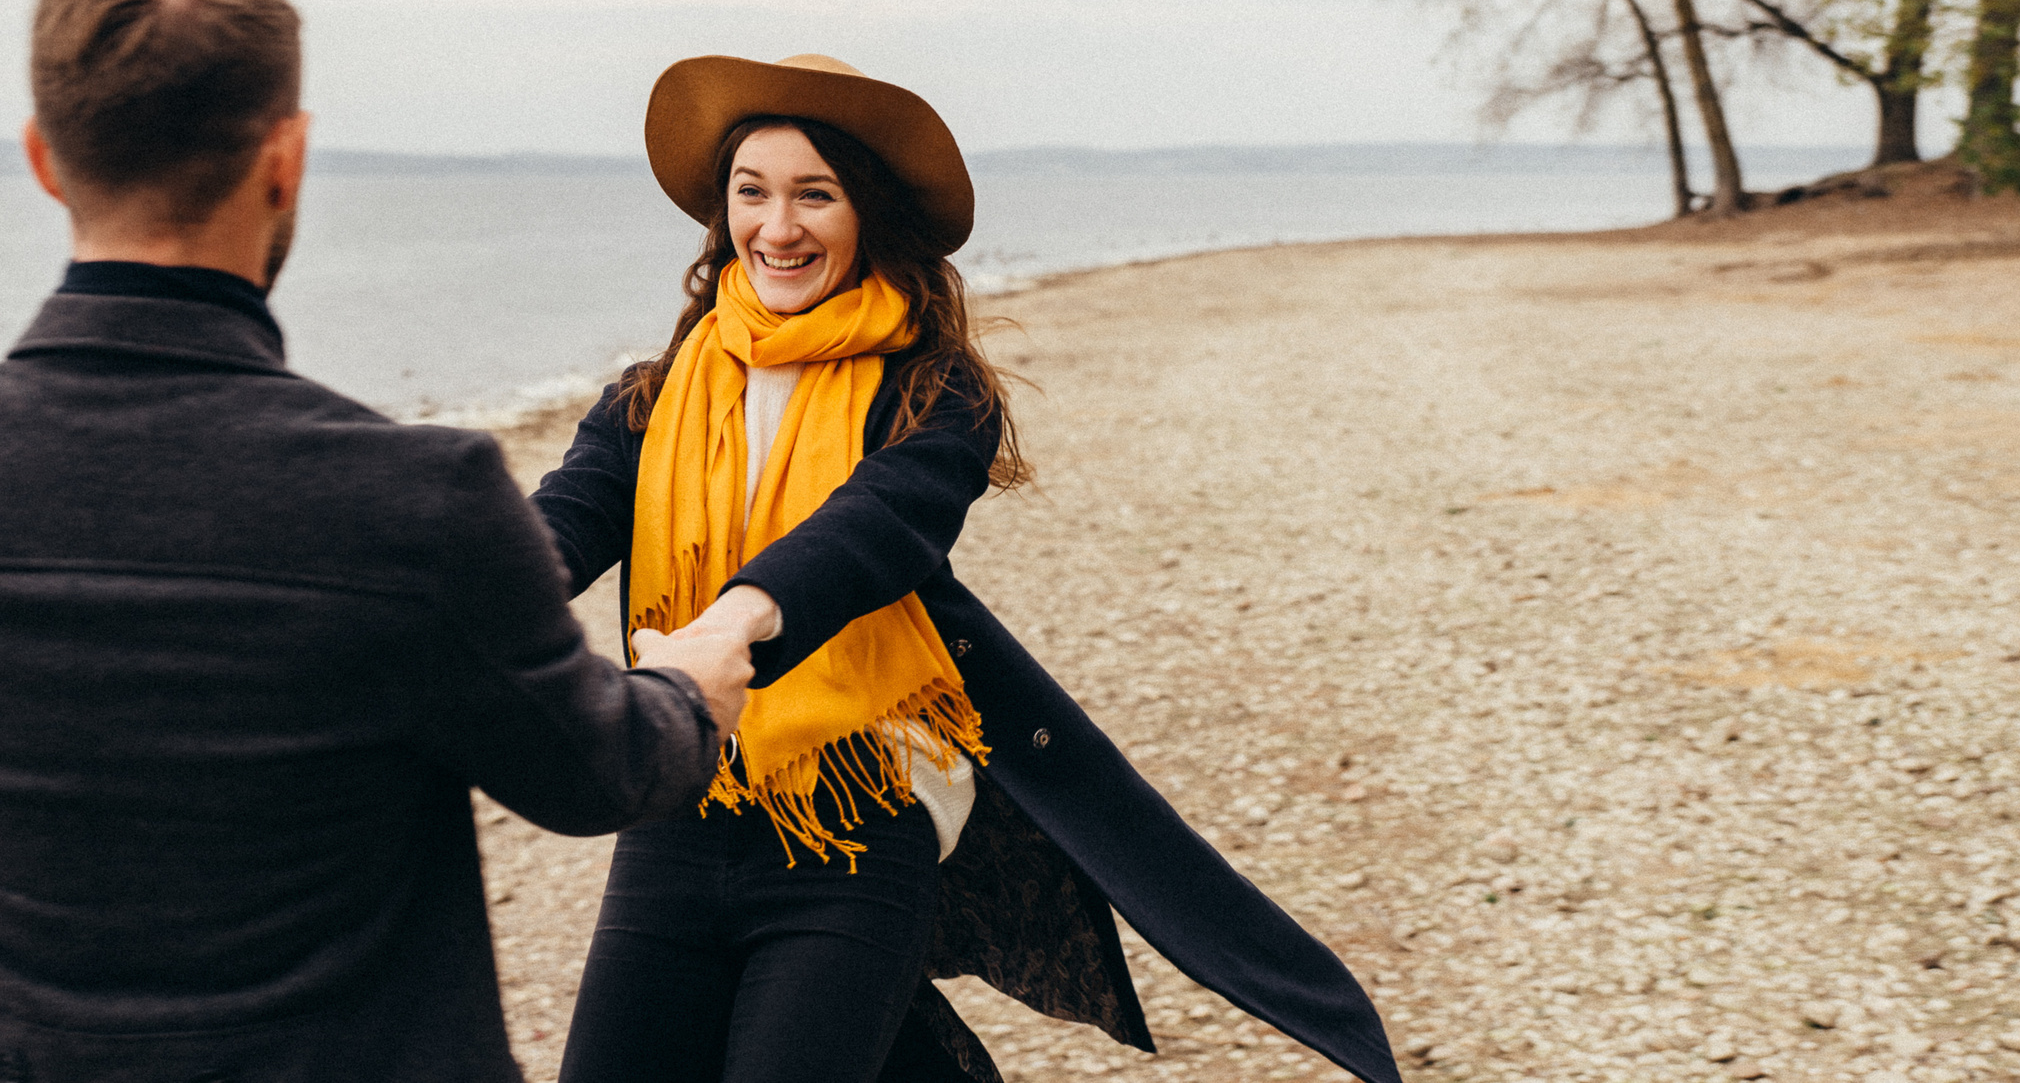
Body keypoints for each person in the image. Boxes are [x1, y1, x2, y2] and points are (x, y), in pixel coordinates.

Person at [0, 0, 753, 1083]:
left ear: (44, 159)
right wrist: (691, 683)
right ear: (287, 156)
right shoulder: (410, 499)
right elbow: (599, 772)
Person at [532, 54, 1400, 1083]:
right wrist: (437, 590)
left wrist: (732, 624)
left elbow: (873, 528)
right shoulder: (649, 398)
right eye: (751, 191)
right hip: (682, 802)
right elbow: (554, 531)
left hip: (861, 816)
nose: (778, 225)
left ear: (869, 212)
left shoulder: (934, 391)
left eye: (816, 193)